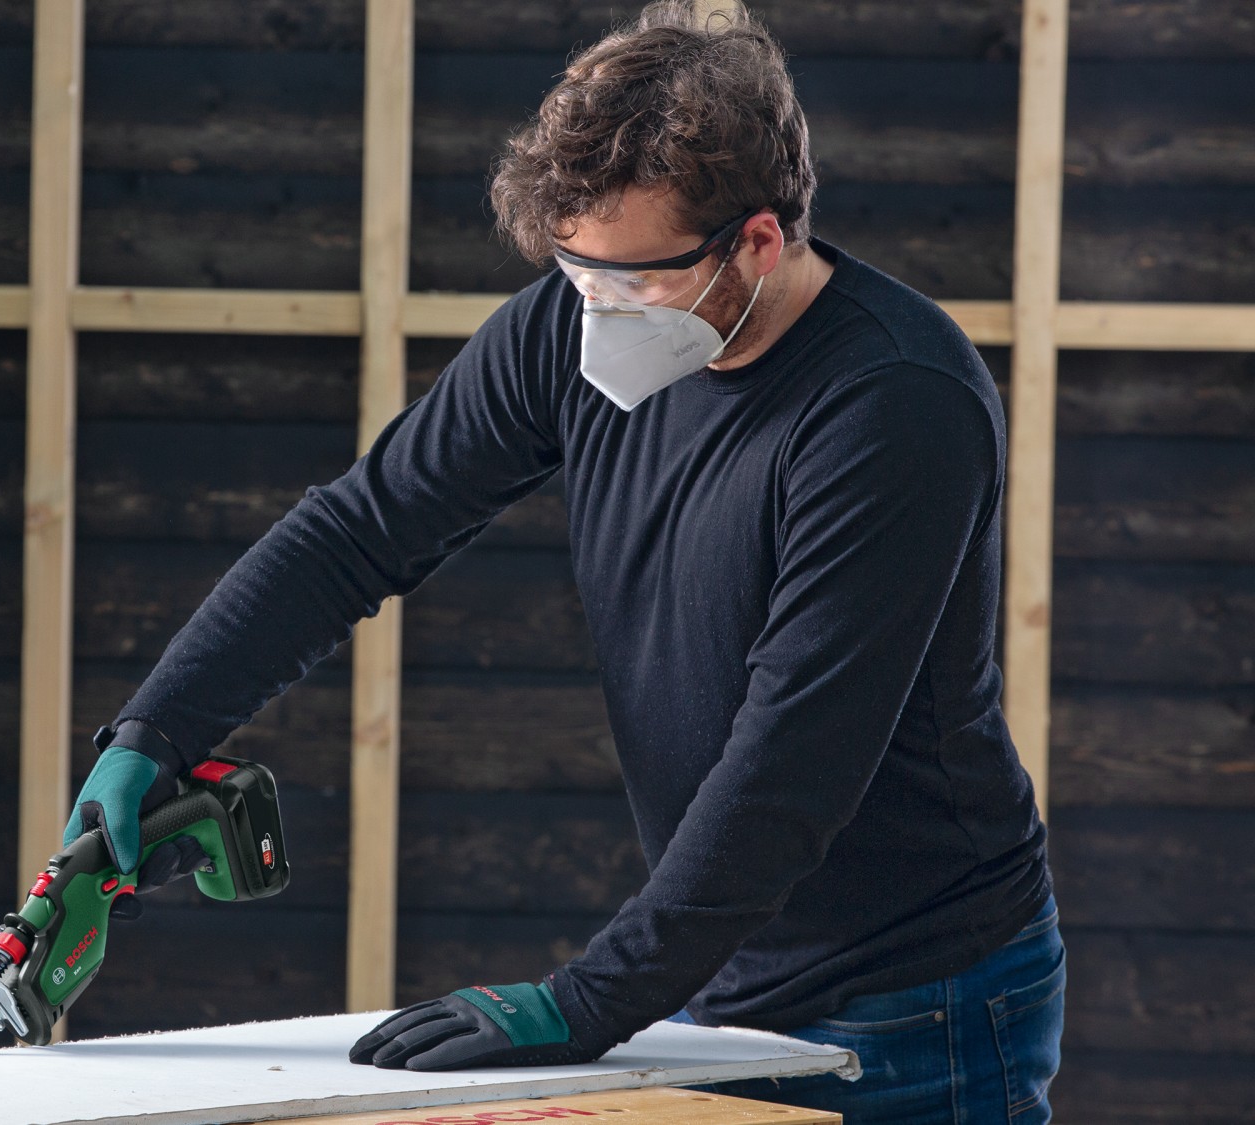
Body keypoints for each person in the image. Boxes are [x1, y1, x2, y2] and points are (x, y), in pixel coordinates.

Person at [60, 3, 1062, 1121]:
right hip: (707, 972)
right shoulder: (567, 327)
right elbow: (355, 533)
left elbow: (791, 764)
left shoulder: (893, 409)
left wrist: (585, 1005)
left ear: (756, 244)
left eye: (629, 280)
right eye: (574, 272)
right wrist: (154, 732)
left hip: (909, 993)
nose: (593, 314)